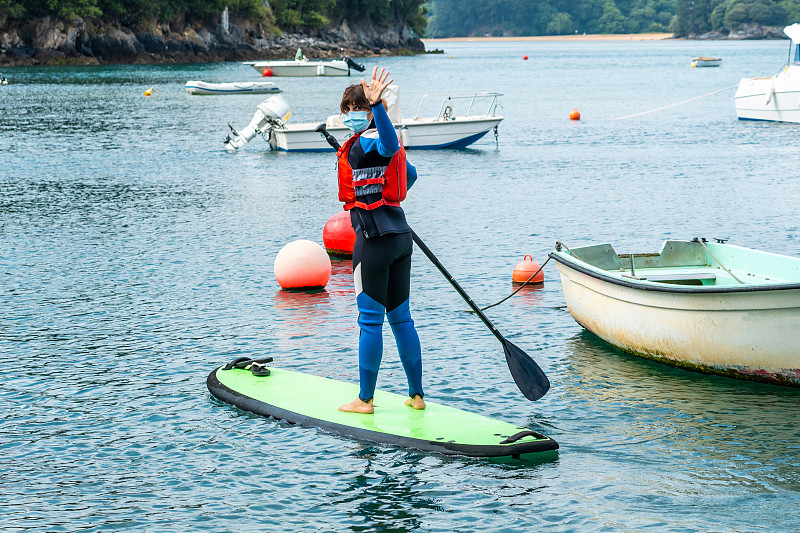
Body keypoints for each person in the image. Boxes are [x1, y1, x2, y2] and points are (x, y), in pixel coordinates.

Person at [336, 67, 425, 414]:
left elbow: (386, 143)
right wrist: (386, 199)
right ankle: (417, 397)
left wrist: (378, 107)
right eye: (345, 111)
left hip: (373, 241)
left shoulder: (367, 143)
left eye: (352, 111)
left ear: (369, 111)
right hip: (400, 237)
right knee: (401, 319)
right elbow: (410, 175)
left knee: (369, 321)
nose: (348, 118)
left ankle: (365, 400)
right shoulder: (375, 146)